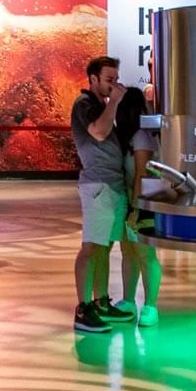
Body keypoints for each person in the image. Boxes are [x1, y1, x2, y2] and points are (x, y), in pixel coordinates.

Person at [71, 56, 134, 333]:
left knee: (105, 247)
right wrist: (115, 103)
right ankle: (83, 308)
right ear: (93, 79)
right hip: (98, 187)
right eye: (109, 79)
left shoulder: (101, 106)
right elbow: (98, 132)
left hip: (113, 186)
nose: (114, 84)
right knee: (91, 247)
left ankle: (101, 301)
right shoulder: (84, 104)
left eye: (116, 79)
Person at [113, 87, 162, 327]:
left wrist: (135, 208)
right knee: (128, 252)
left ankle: (151, 305)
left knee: (145, 253)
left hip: (144, 203)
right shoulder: (129, 137)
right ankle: (128, 300)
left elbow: (142, 174)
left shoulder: (142, 136)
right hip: (131, 201)